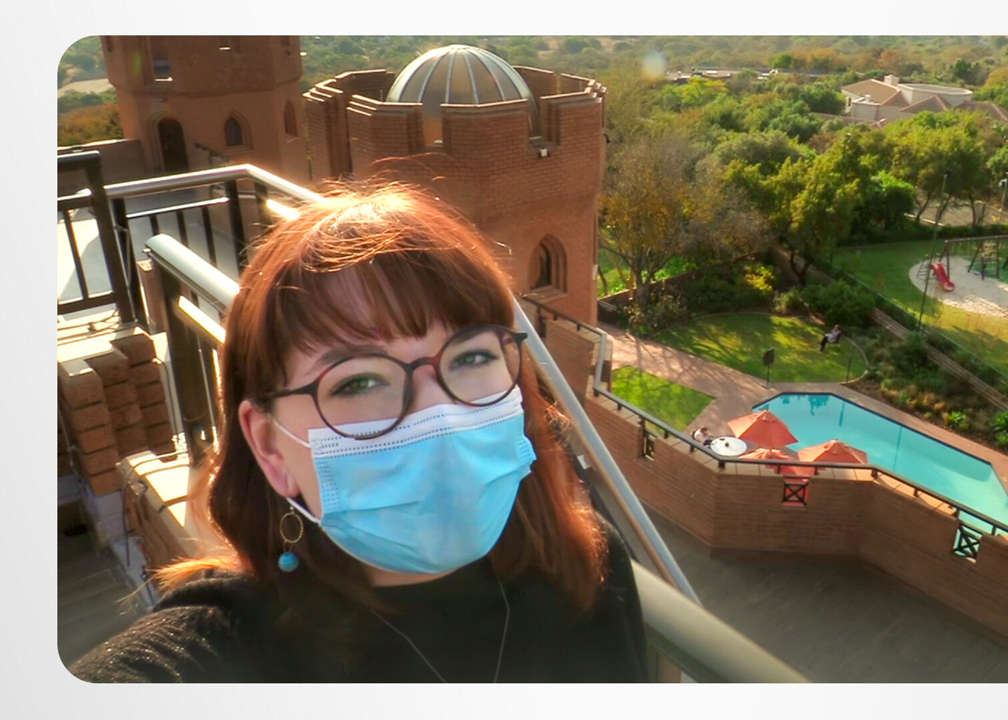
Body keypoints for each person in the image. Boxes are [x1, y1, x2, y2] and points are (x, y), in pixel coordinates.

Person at [70, 186, 648, 683]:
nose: (439, 413)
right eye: (359, 381)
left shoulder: (585, 569)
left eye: (471, 356)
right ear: (270, 446)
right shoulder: (228, 653)